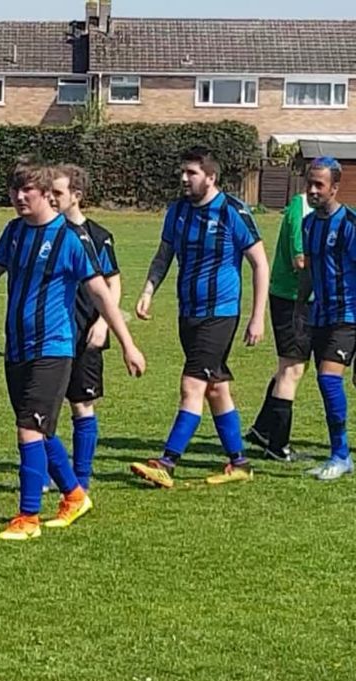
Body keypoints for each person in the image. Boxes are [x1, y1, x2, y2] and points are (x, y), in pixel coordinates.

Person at [0, 163, 146, 541]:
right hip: (16, 346)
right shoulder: (15, 232)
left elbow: (101, 292)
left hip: (52, 349)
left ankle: (28, 517)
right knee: (40, 428)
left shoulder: (69, 239)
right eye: (14, 191)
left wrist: (127, 344)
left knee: (28, 429)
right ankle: (74, 495)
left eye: (28, 191)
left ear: (47, 194)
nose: (19, 198)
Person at [131, 147, 269, 488]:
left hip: (219, 314)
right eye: (183, 172)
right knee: (216, 389)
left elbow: (259, 263)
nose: (184, 178)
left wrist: (257, 317)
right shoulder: (177, 211)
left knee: (192, 384)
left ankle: (167, 462)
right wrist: (148, 290)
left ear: (211, 177)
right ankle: (240, 462)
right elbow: (164, 255)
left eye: (191, 173)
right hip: (188, 313)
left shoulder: (232, 211)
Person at [51, 163, 121, 491]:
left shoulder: (98, 237)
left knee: (81, 405)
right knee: (43, 409)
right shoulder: (46, 231)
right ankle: (43, 475)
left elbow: (113, 283)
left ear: (76, 196)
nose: (51, 198)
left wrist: (104, 322)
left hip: (85, 334)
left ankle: (81, 479)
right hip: (51, 335)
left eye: (57, 193)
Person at [295, 157, 356, 481]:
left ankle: (341, 455)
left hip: (349, 317)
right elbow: (308, 274)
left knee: (329, 380)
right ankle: (341, 454)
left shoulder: (350, 225)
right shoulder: (308, 225)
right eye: (310, 183)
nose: (313, 190)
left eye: (320, 184)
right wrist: (299, 308)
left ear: (335, 187)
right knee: (327, 382)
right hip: (321, 315)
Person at [246, 192, 312, 462]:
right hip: (291, 298)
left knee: (293, 366)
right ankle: (278, 445)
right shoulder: (301, 205)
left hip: (308, 299)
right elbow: (300, 260)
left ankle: (262, 429)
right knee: (292, 369)